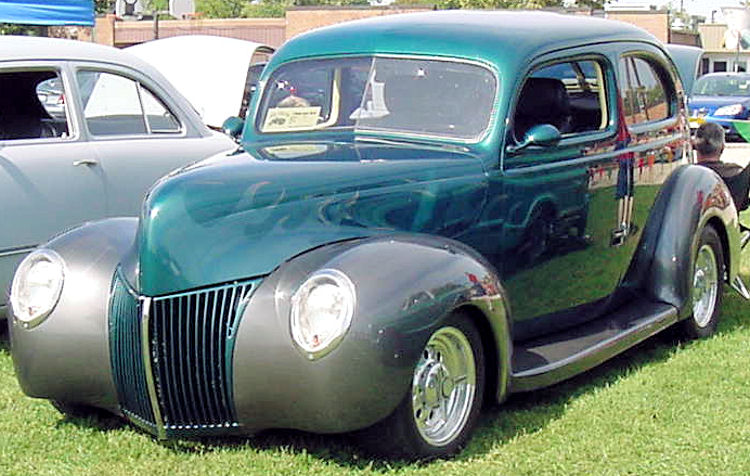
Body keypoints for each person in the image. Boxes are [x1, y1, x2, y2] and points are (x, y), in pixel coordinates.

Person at [694, 122, 750, 212]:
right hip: (729, 220)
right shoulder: (738, 173)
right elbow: (743, 205)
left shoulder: (686, 176)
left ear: (696, 146)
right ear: (722, 148)